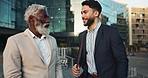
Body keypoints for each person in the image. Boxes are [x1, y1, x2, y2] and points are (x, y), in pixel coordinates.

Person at [3, 4, 63, 78]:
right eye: (44, 17)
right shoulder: (14, 41)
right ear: (31, 19)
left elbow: (57, 65)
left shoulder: (52, 40)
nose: (48, 21)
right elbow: (12, 75)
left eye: (47, 17)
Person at [72, 1, 128, 78]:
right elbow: (80, 57)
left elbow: (122, 61)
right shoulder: (82, 36)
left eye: (85, 12)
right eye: (81, 13)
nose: (82, 16)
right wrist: (75, 65)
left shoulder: (111, 32)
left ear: (96, 13)